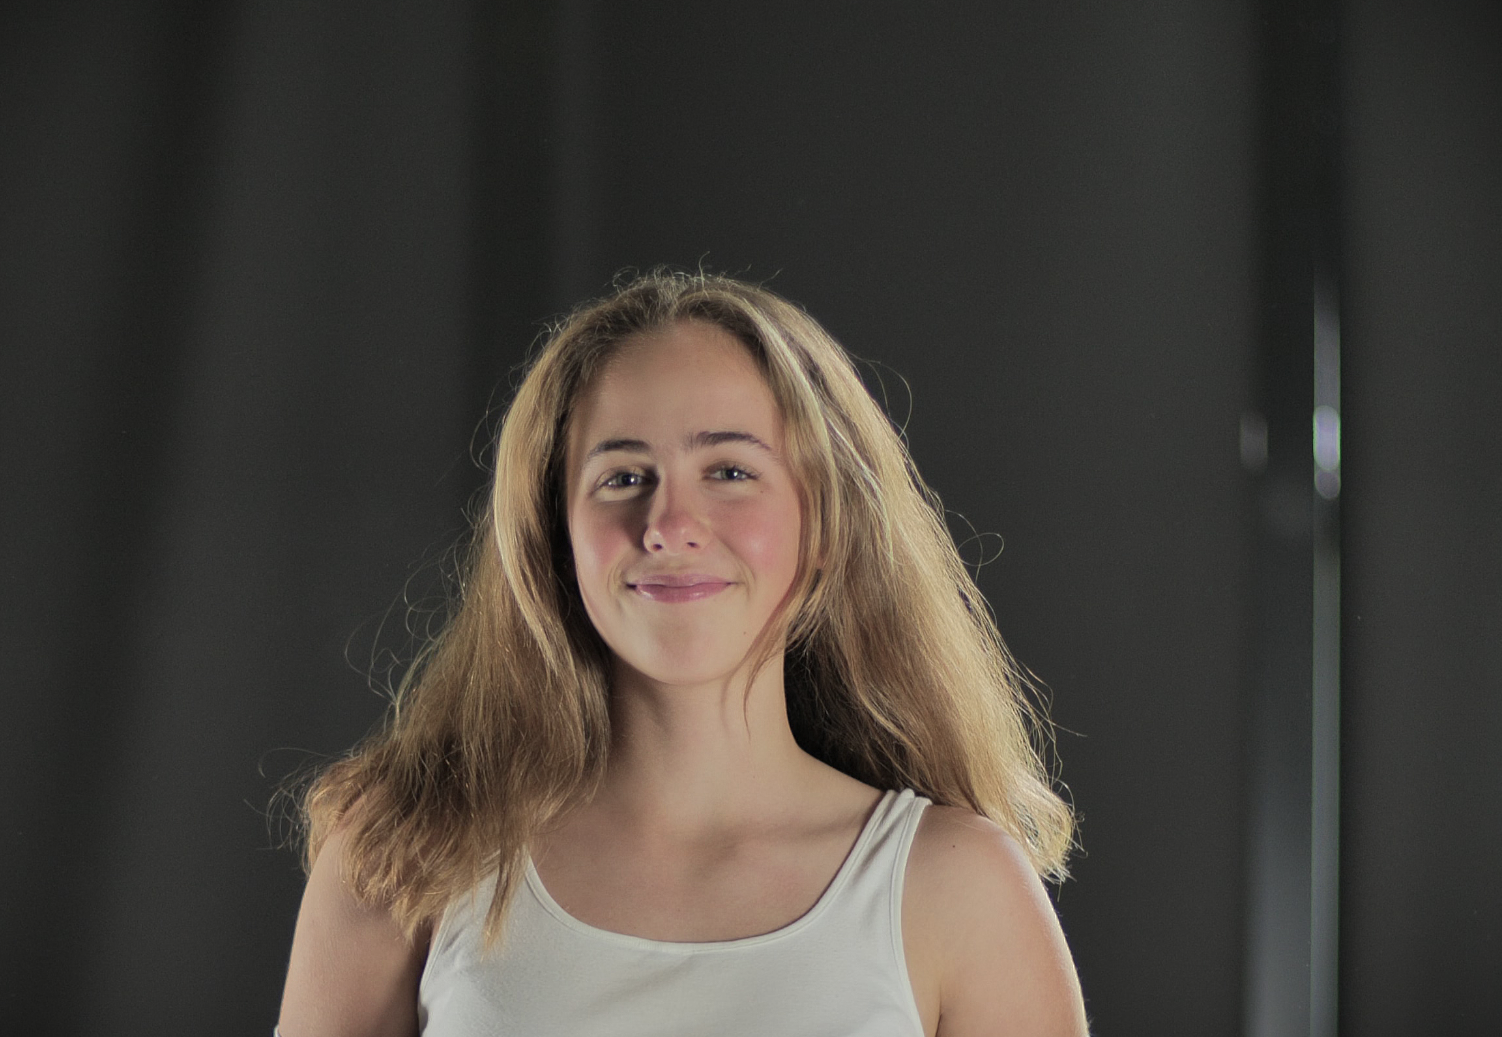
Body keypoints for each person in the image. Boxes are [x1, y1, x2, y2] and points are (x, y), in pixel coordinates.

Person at [277, 271, 1086, 1036]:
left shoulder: (959, 886)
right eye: (623, 477)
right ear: (554, 537)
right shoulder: (405, 852)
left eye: (729, 470)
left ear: (827, 524)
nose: (667, 525)